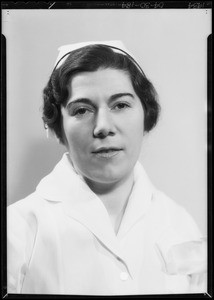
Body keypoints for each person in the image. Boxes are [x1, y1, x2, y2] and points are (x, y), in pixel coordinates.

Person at [7, 40, 207, 295]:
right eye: (82, 110)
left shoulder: (180, 223)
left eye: (120, 105)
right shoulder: (17, 228)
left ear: (146, 116)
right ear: (58, 129)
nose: (103, 126)